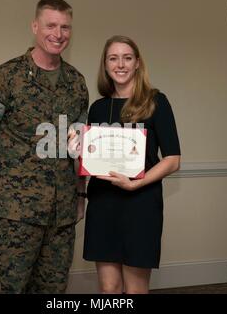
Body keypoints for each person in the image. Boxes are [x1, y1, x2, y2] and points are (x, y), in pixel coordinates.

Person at [0, 0, 89, 294]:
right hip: (15, 213)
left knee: (53, 291)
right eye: (50, 25)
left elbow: (79, 147)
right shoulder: (5, 77)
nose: (58, 34)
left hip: (61, 215)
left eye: (65, 27)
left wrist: (81, 194)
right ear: (35, 26)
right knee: (8, 288)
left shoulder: (76, 83)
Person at [82, 35, 181, 294]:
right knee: (108, 288)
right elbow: (90, 158)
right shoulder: (97, 108)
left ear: (138, 63)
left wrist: (136, 183)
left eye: (127, 58)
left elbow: (173, 159)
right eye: (113, 58)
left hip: (141, 205)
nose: (121, 64)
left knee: (136, 289)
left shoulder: (156, 102)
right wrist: (76, 147)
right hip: (103, 204)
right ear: (105, 65)